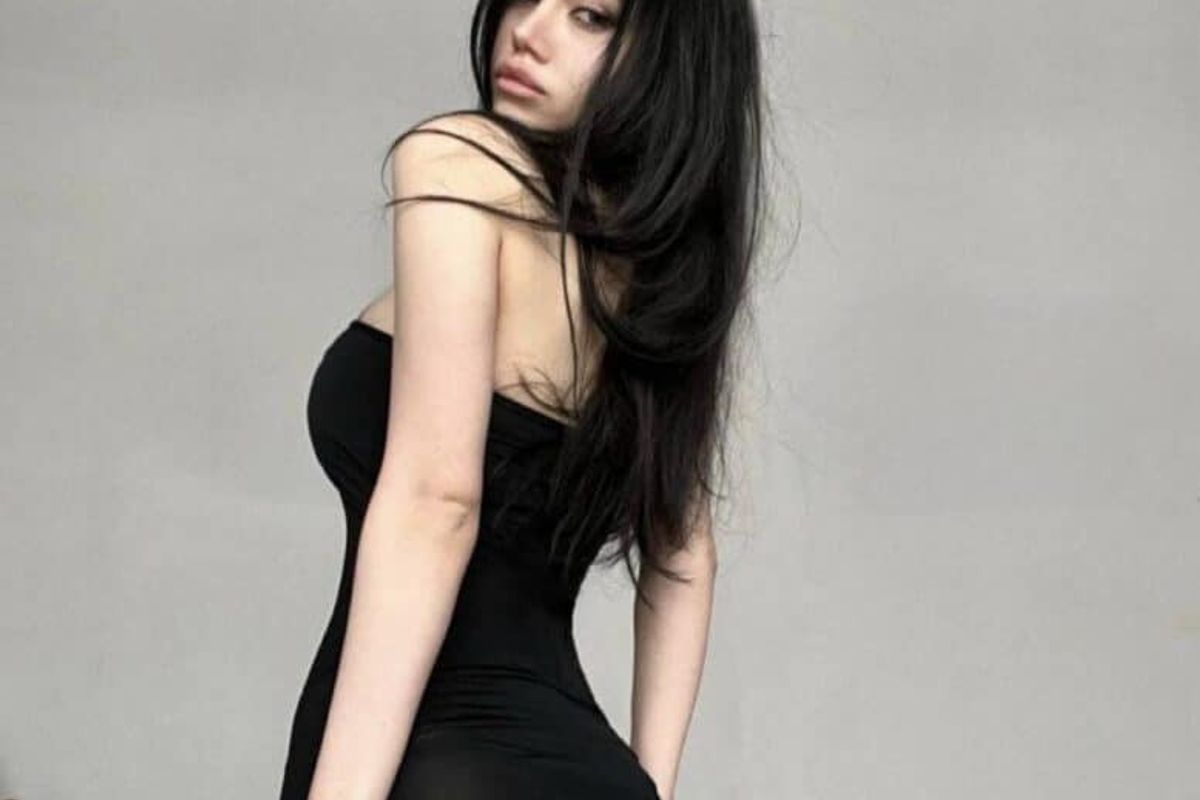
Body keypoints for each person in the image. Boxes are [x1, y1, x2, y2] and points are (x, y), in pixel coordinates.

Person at [279, 0, 772, 796]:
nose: (527, 32)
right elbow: (683, 554)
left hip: (439, 768)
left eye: (590, 16)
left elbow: (436, 502)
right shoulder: (662, 277)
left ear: (670, 58)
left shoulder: (459, 164)